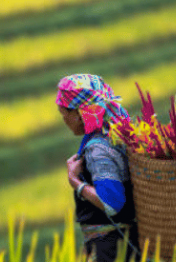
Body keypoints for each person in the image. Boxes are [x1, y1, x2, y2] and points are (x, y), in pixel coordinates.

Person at [55, 74, 139, 262]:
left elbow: (111, 203)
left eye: (64, 114)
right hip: (124, 243)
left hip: (111, 249)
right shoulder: (113, 132)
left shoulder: (98, 150)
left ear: (78, 114)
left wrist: (75, 182)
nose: (64, 120)